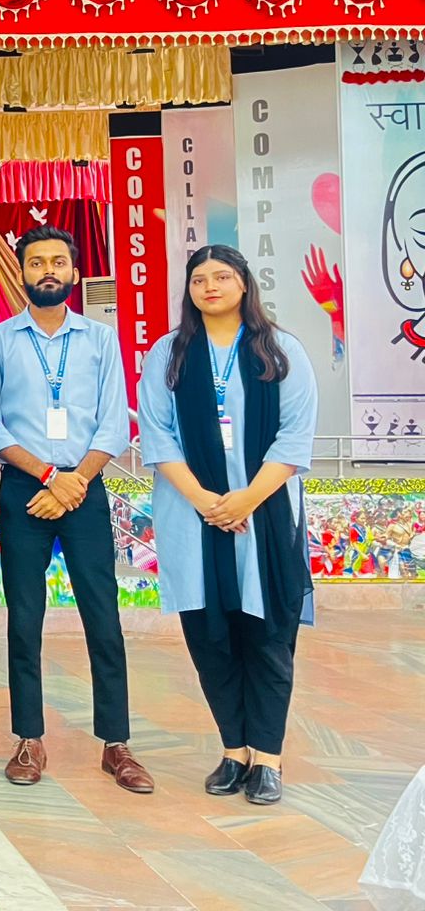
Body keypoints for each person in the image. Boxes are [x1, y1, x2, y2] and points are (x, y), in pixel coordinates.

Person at [137, 244, 316, 806]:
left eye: (221, 276)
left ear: (243, 284)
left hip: (264, 517)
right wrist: (205, 501)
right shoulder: (169, 353)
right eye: (198, 279)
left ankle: (268, 758)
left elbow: (294, 437)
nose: (209, 286)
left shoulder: (279, 350)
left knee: (268, 638)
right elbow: (158, 436)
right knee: (211, 639)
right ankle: (234, 750)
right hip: (193, 518)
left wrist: (246, 501)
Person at [0, 225, 152, 793]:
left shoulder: (100, 340)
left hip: (85, 488)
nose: (48, 271)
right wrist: (49, 476)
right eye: (36, 262)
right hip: (25, 490)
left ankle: (117, 743)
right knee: (24, 617)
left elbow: (114, 420)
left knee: (102, 617)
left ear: (74, 273)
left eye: (58, 261)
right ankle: (28, 739)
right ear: (22, 273)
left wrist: (75, 479)